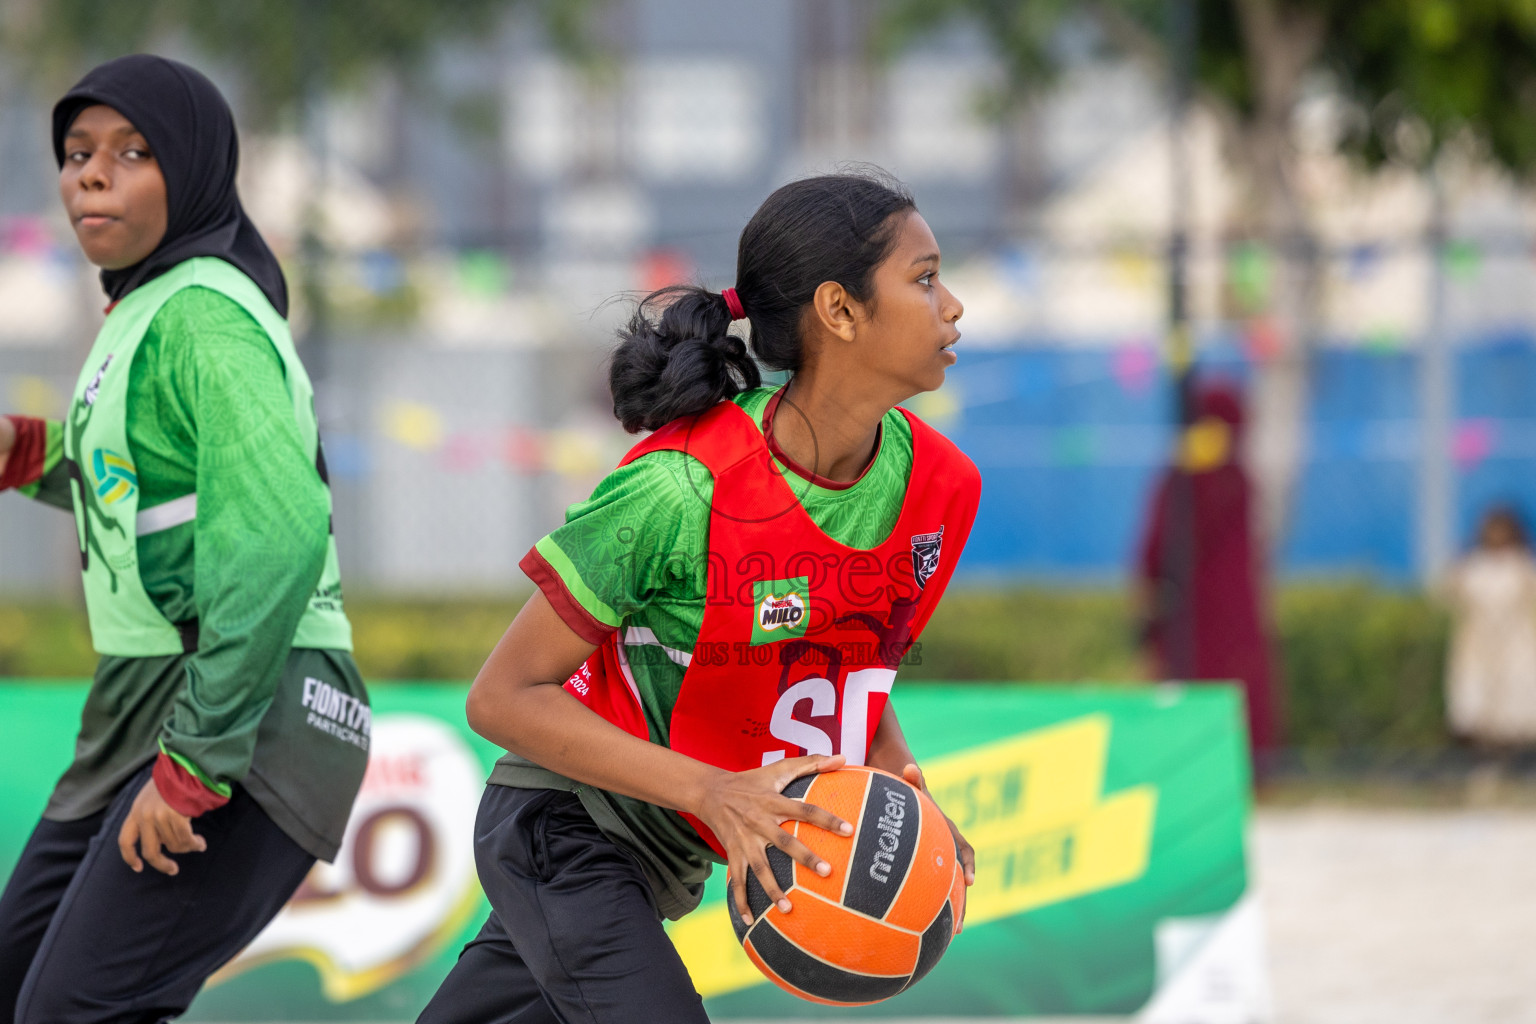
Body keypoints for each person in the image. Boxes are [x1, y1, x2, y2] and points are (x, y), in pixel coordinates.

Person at [418, 172, 981, 1024]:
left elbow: (850, 672)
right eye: (926, 277)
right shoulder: (683, 489)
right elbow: (501, 698)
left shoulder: (941, 487)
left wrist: (900, 786)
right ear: (840, 310)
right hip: (563, 822)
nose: (955, 306)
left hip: (663, 849)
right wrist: (714, 792)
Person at [0, 55, 368, 1023]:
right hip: (142, 707)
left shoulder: (205, 315)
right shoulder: (144, 307)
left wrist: (198, 762)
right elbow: (129, 489)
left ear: (196, 169)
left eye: (133, 152)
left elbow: (278, 537)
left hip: (252, 709)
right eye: (79, 153)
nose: (91, 175)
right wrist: (22, 452)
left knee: (73, 1011)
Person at [1135, 379, 1282, 773]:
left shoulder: (1185, 477)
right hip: (1221, 609)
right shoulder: (1237, 479)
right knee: (1234, 686)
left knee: (1193, 686)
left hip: (1190, 609)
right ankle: (1247, 766)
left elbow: (1155, 548)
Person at [1442, 505, 1536, 750]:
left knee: (1513, 708)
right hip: (1478, 647)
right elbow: (1448, 594)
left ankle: (1512, 759)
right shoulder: (1472, 567)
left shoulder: (1522, 566)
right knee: (1476, 705)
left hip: (1515, 646)